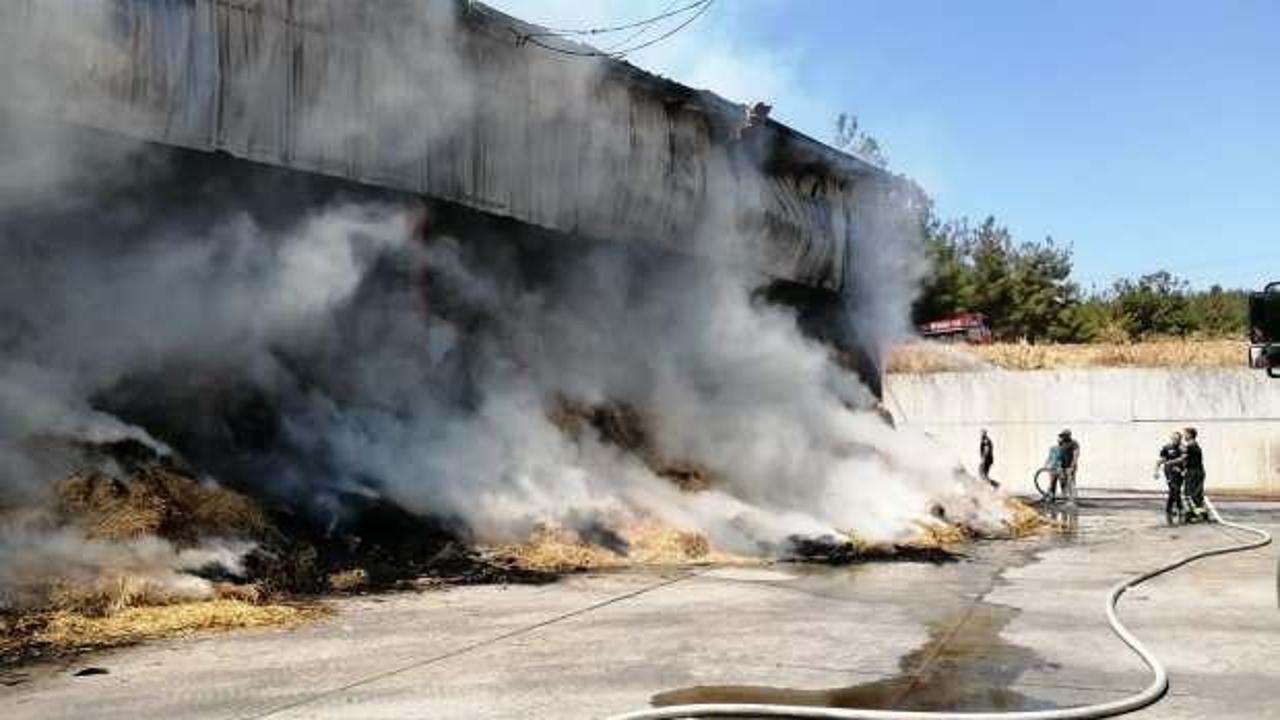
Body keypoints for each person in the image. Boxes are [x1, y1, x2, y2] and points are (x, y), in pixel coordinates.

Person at [1154, 431, 1185, 524]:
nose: (1176, 440)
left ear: (1180, 439)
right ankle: (1178, 509)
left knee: (1176, 490)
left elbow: (1184, 460)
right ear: (1171, 439)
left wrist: (1182, 469)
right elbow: (1161, 460)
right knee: (1173, 488)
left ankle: (1172, 509)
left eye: (1177, 439)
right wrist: (1156, 471)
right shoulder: (1167, 447)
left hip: (1179, 472)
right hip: (1169, 472)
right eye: (1174, 439)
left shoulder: (1183, 448)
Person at [1181, 427, 1209, 522]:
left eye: (1185, 434)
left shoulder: (1190, 446)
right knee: (1195, 494)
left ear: (1190, 435)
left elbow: (1182, 459)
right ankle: (1199, 513)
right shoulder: (1194, 445)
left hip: (1193, 472)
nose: (1184, 436)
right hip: (1197, 471)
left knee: (1189, 494)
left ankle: (1193, 514)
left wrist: (1169, 463)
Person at [1058, 429, 1080, 503]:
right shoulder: (1061, 443)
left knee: (1070, 481)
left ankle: (1072, 499)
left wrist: (1072, 466)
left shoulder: (1074, 443)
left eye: (1063, 435)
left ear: (1068, 435)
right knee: (1062, 481)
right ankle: (1064, 497)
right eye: (1061, 436)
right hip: (1062, 466)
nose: (1062, 437)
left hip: (1070, 466)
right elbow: (1059, 454)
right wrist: (1059, 465)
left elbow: (1076, 455)